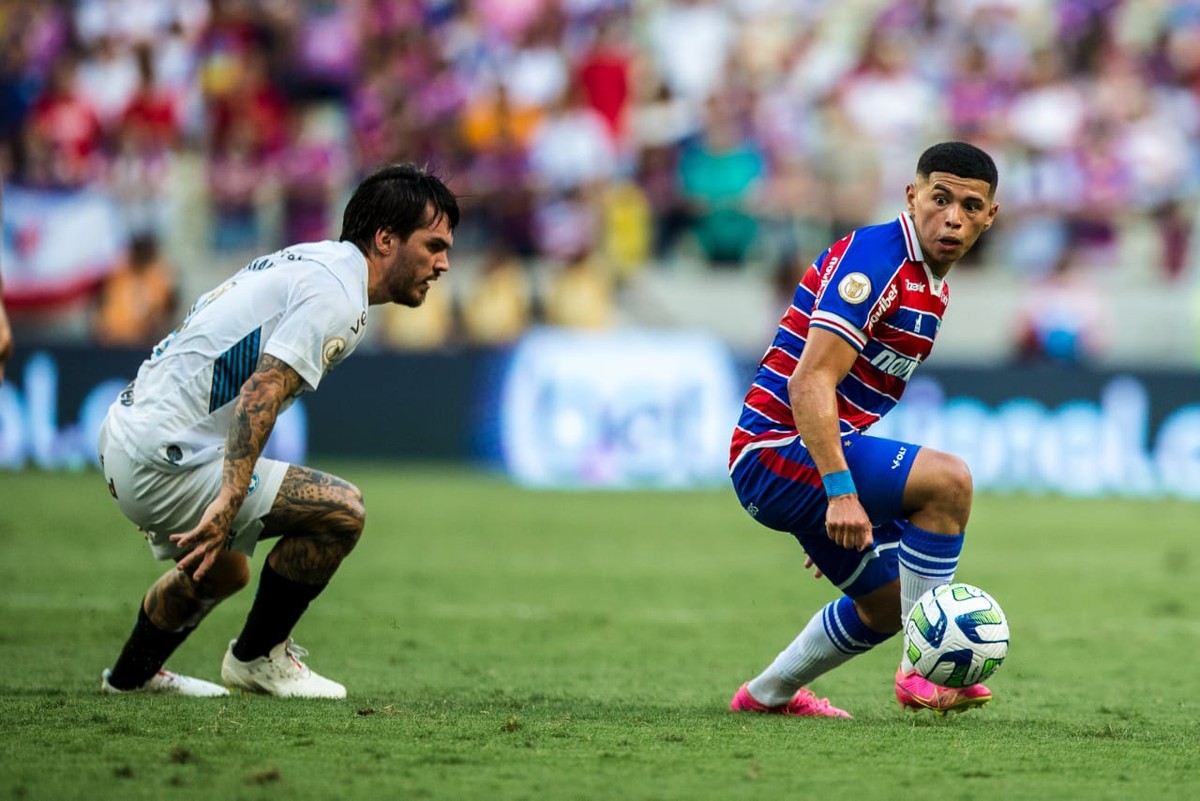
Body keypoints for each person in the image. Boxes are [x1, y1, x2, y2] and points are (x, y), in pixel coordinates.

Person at [97, 163, 458, 697]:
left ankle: (130, 678)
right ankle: (258, 659)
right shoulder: (339, 293)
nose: (444, 264)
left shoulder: (318, 262)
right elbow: (261, 390)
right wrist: (227, 498)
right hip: (164, 458)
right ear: (385, 240)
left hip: (127, 438)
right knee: (341, 512)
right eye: (433, 246)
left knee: (224, 573)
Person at [727, 142, 999, 717]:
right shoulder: (877, 261)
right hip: (776, 451)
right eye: (940, 199)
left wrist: (836, 494)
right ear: (912, 196)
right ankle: (922, 667)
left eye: (970, 206)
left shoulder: (932, 283)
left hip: (809, 461)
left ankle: (767, 696)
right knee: (950, 482)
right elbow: (809, 385)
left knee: (885, 604)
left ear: (989, 216)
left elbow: (851, 400)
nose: (953, 217)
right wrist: (840, 490)